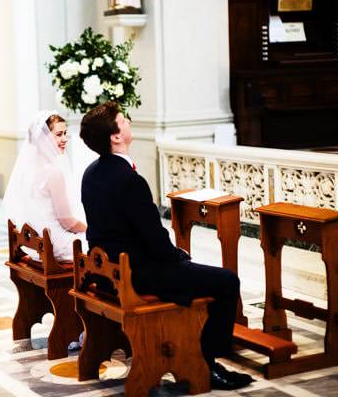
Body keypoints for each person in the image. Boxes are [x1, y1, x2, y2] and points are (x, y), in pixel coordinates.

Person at [79, 102, 254, 391]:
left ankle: (200, 356)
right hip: (139, 273)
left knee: (192, 271)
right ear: (115, 136)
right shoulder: (129, 180)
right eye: (124, 120)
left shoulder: (91, 173)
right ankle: (206, 363)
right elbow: (154, 238)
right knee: (226, 281)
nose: (129, 122)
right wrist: (178, 255)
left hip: (109, 271)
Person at [3, 111, 87, 262]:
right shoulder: (53, 173)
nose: (64, 139)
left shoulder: (27, 172)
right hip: (55, 245)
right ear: (42, 140)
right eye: (59, 134)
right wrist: (89, 229)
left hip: (35, 244)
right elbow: (67, 221)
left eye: (65, 133)